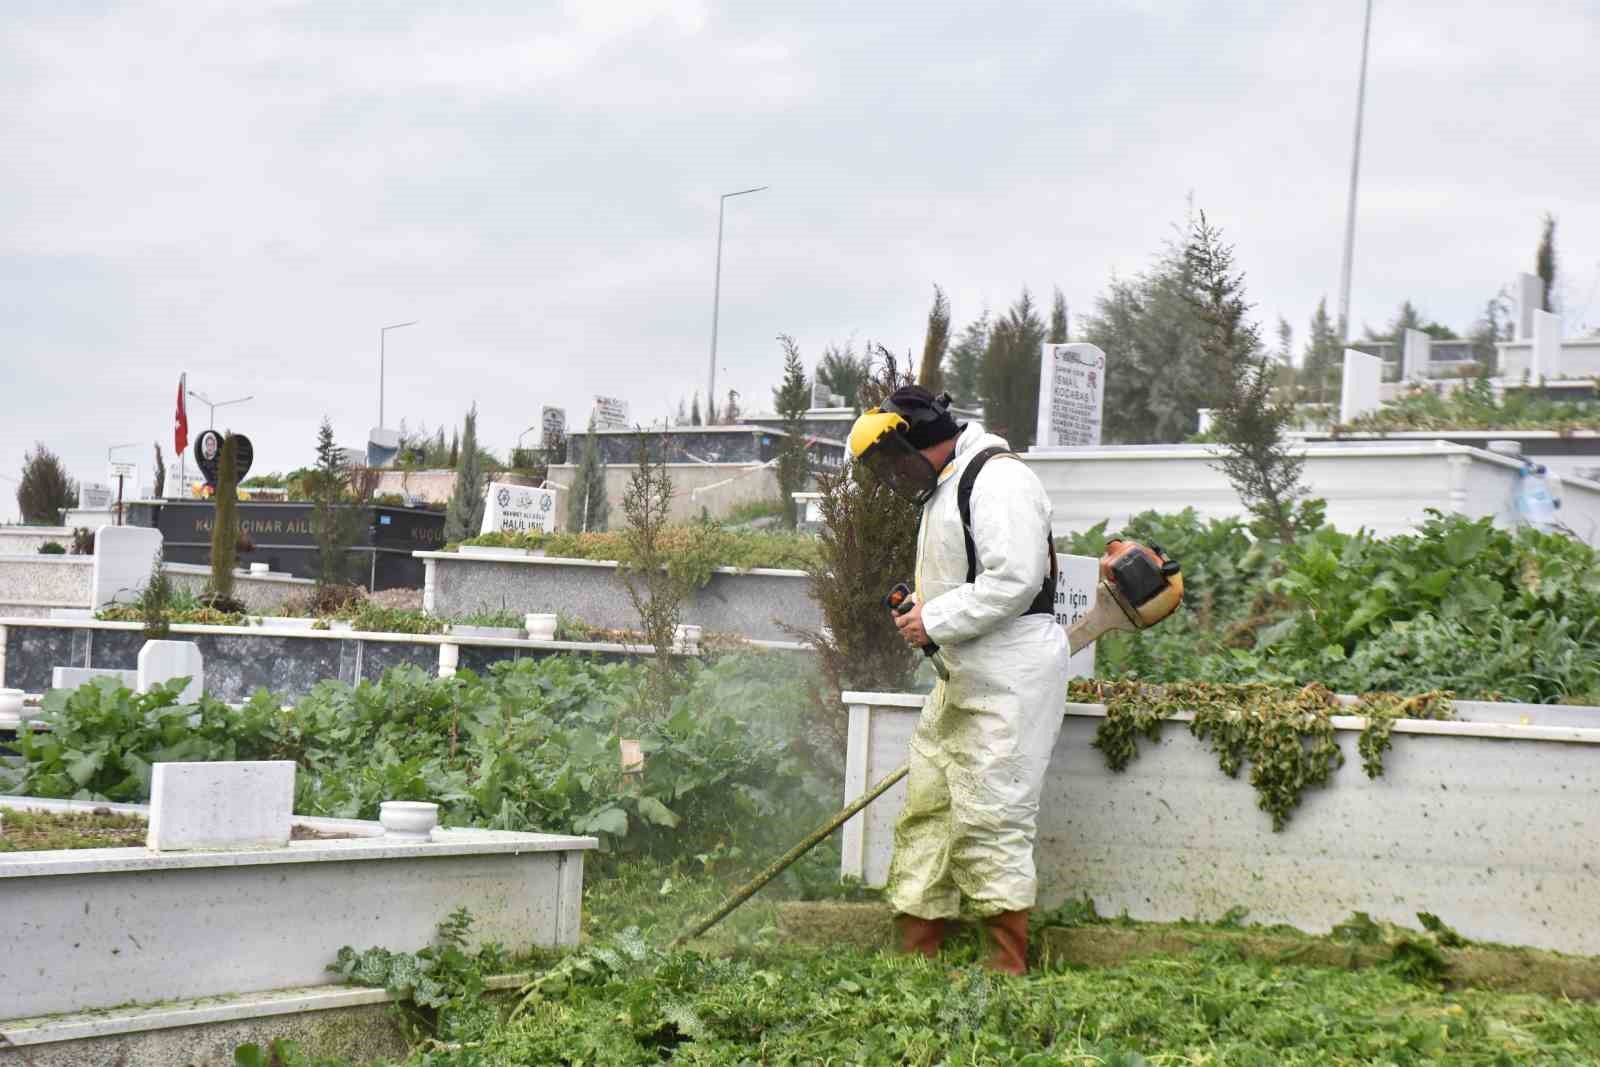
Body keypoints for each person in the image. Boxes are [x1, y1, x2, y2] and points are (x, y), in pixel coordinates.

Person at [847, 385, 1071, 975]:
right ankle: (916, 949)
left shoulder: (998, 479)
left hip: (1012, 671)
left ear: (920, 435)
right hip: (965, 669)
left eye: (894, 461)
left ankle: (1006, 962)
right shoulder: (947, 484)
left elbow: (1016, 580)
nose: (893, 475)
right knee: (932, 806)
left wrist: (934, 617)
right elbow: (970, 579)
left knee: (993, 813)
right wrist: (928, 608)